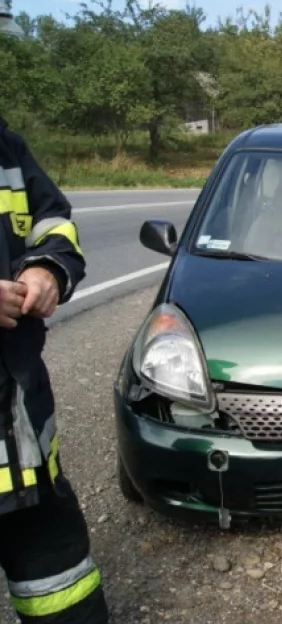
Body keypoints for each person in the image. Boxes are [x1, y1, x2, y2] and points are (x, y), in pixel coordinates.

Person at [0, 118, 109, 622]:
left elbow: (53, 222)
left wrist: (46, 267)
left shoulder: (6, 148)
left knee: (66, 597)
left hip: (27, 453)